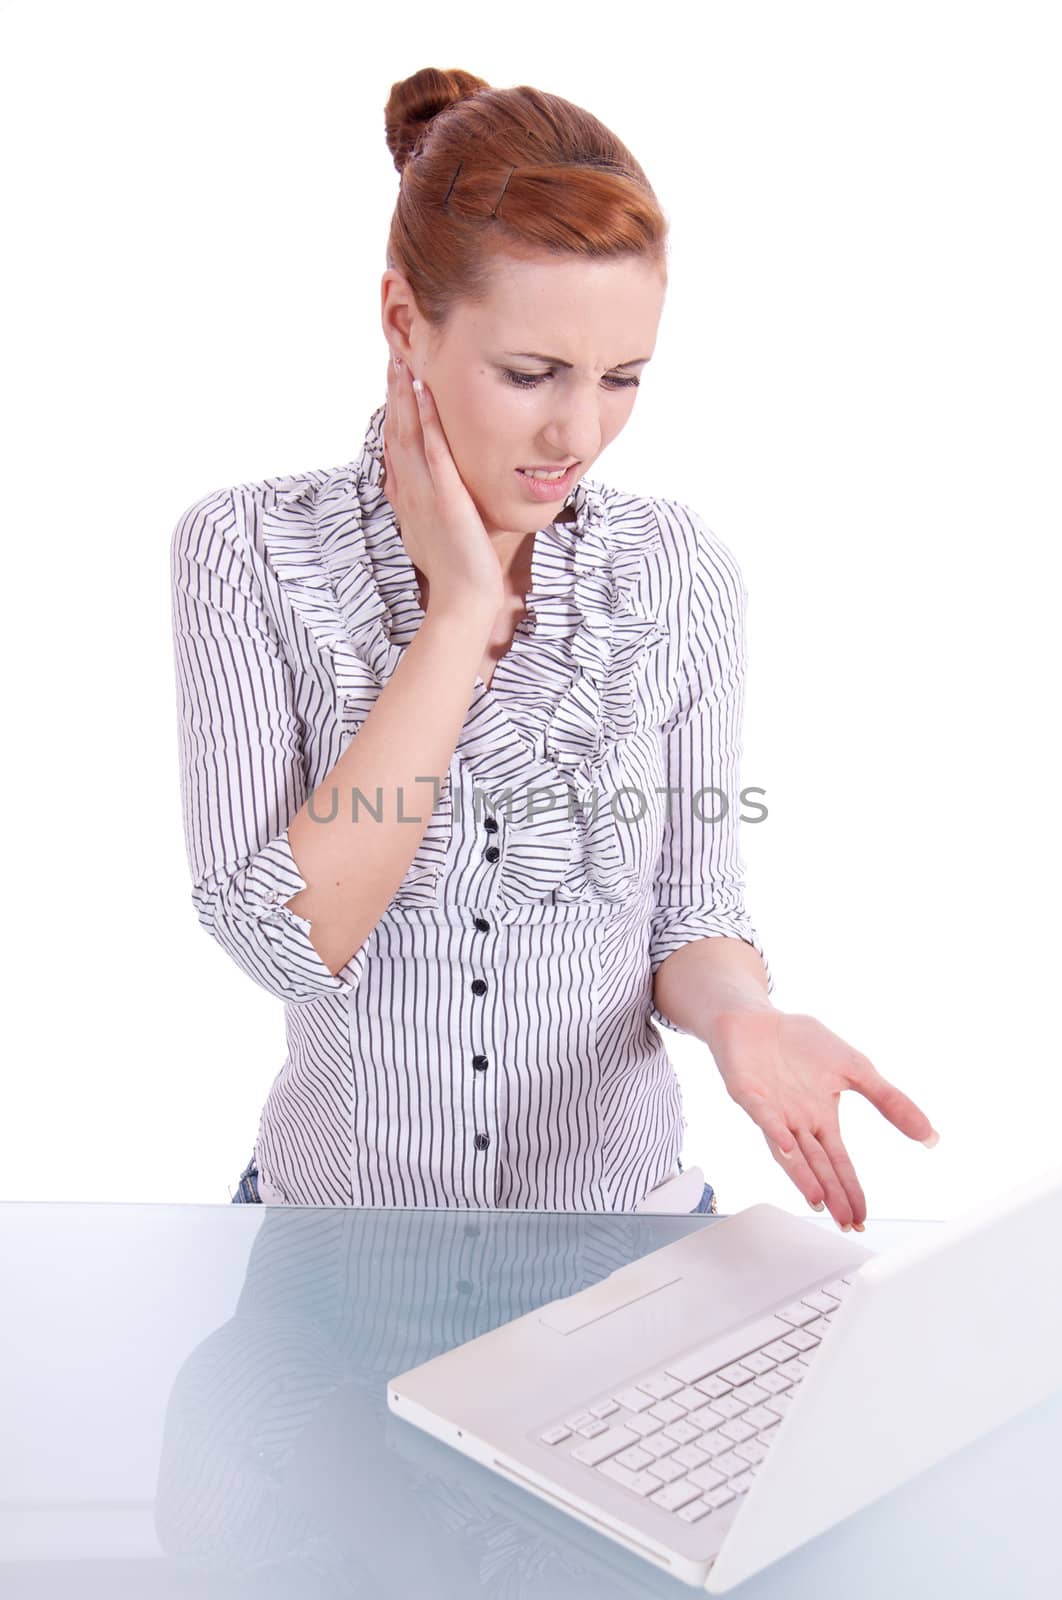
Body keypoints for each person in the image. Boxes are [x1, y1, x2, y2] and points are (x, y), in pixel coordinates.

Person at [171, 67, 938, 1220]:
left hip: (620, 1226)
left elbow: (693, 908)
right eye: (529, 374)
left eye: (621, 378)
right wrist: (459, 618)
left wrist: (741, 1017)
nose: (576, 432)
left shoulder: (673, 569)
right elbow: (284, 940)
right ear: (401, 321)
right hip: (334, 1239)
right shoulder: (244, 551)